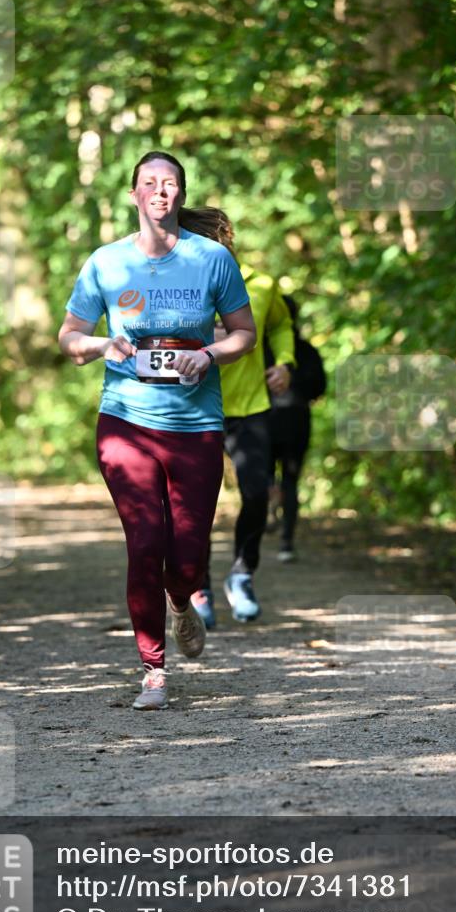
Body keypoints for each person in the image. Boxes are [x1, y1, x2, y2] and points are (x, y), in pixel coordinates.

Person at [58, 151, 256, 711]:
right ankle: (153, 670)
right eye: (150, 183)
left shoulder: (212, 260)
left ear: (181, 196)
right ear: (134, 195)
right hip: (125, 422)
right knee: (144, 543)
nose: (160, 191)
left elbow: (245, 333)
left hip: (195, 426)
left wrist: (211, 355)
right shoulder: (105, 262)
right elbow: (69, 336)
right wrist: (101, 345)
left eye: (170, 183)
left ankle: (181, 600)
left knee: (187, 558)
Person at [190, 220, 296, 627]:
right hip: (194, 406)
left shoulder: (263, 283)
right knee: (196, 504)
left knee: (256, 495)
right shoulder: (179, 282)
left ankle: (242, 573)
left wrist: (285, 362)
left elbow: (283, 324)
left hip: (249, 404)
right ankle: (197, 585)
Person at [265, 294, 326, 562]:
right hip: (296, 420)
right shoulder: (307, 350)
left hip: (263, 419)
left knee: (264, 477)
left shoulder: (259, 349)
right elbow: (320, 387)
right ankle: (286, 543)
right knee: (290, 481)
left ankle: (269, 502)